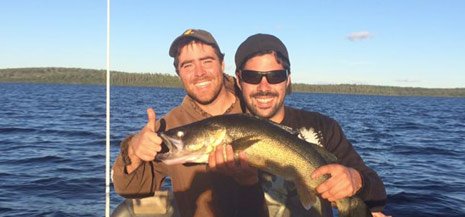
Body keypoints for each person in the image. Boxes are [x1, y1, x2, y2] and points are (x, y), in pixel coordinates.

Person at [212, 33, 389, 217]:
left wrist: (356, 180)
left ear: (288, 79)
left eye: (275, 76)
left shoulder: (323, 127)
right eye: (252, 76)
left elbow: (378, 194)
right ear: (239, 80)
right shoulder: (220, 143)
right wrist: (245, 184)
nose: (264, 87)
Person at [111, 29, 268, 217]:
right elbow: (129, 188)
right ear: (179, 73)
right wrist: (134, 149)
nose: (199, 73)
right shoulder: (169, 127)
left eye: (207, 61)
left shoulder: (258, 106)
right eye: (187, 65)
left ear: (222, 64)